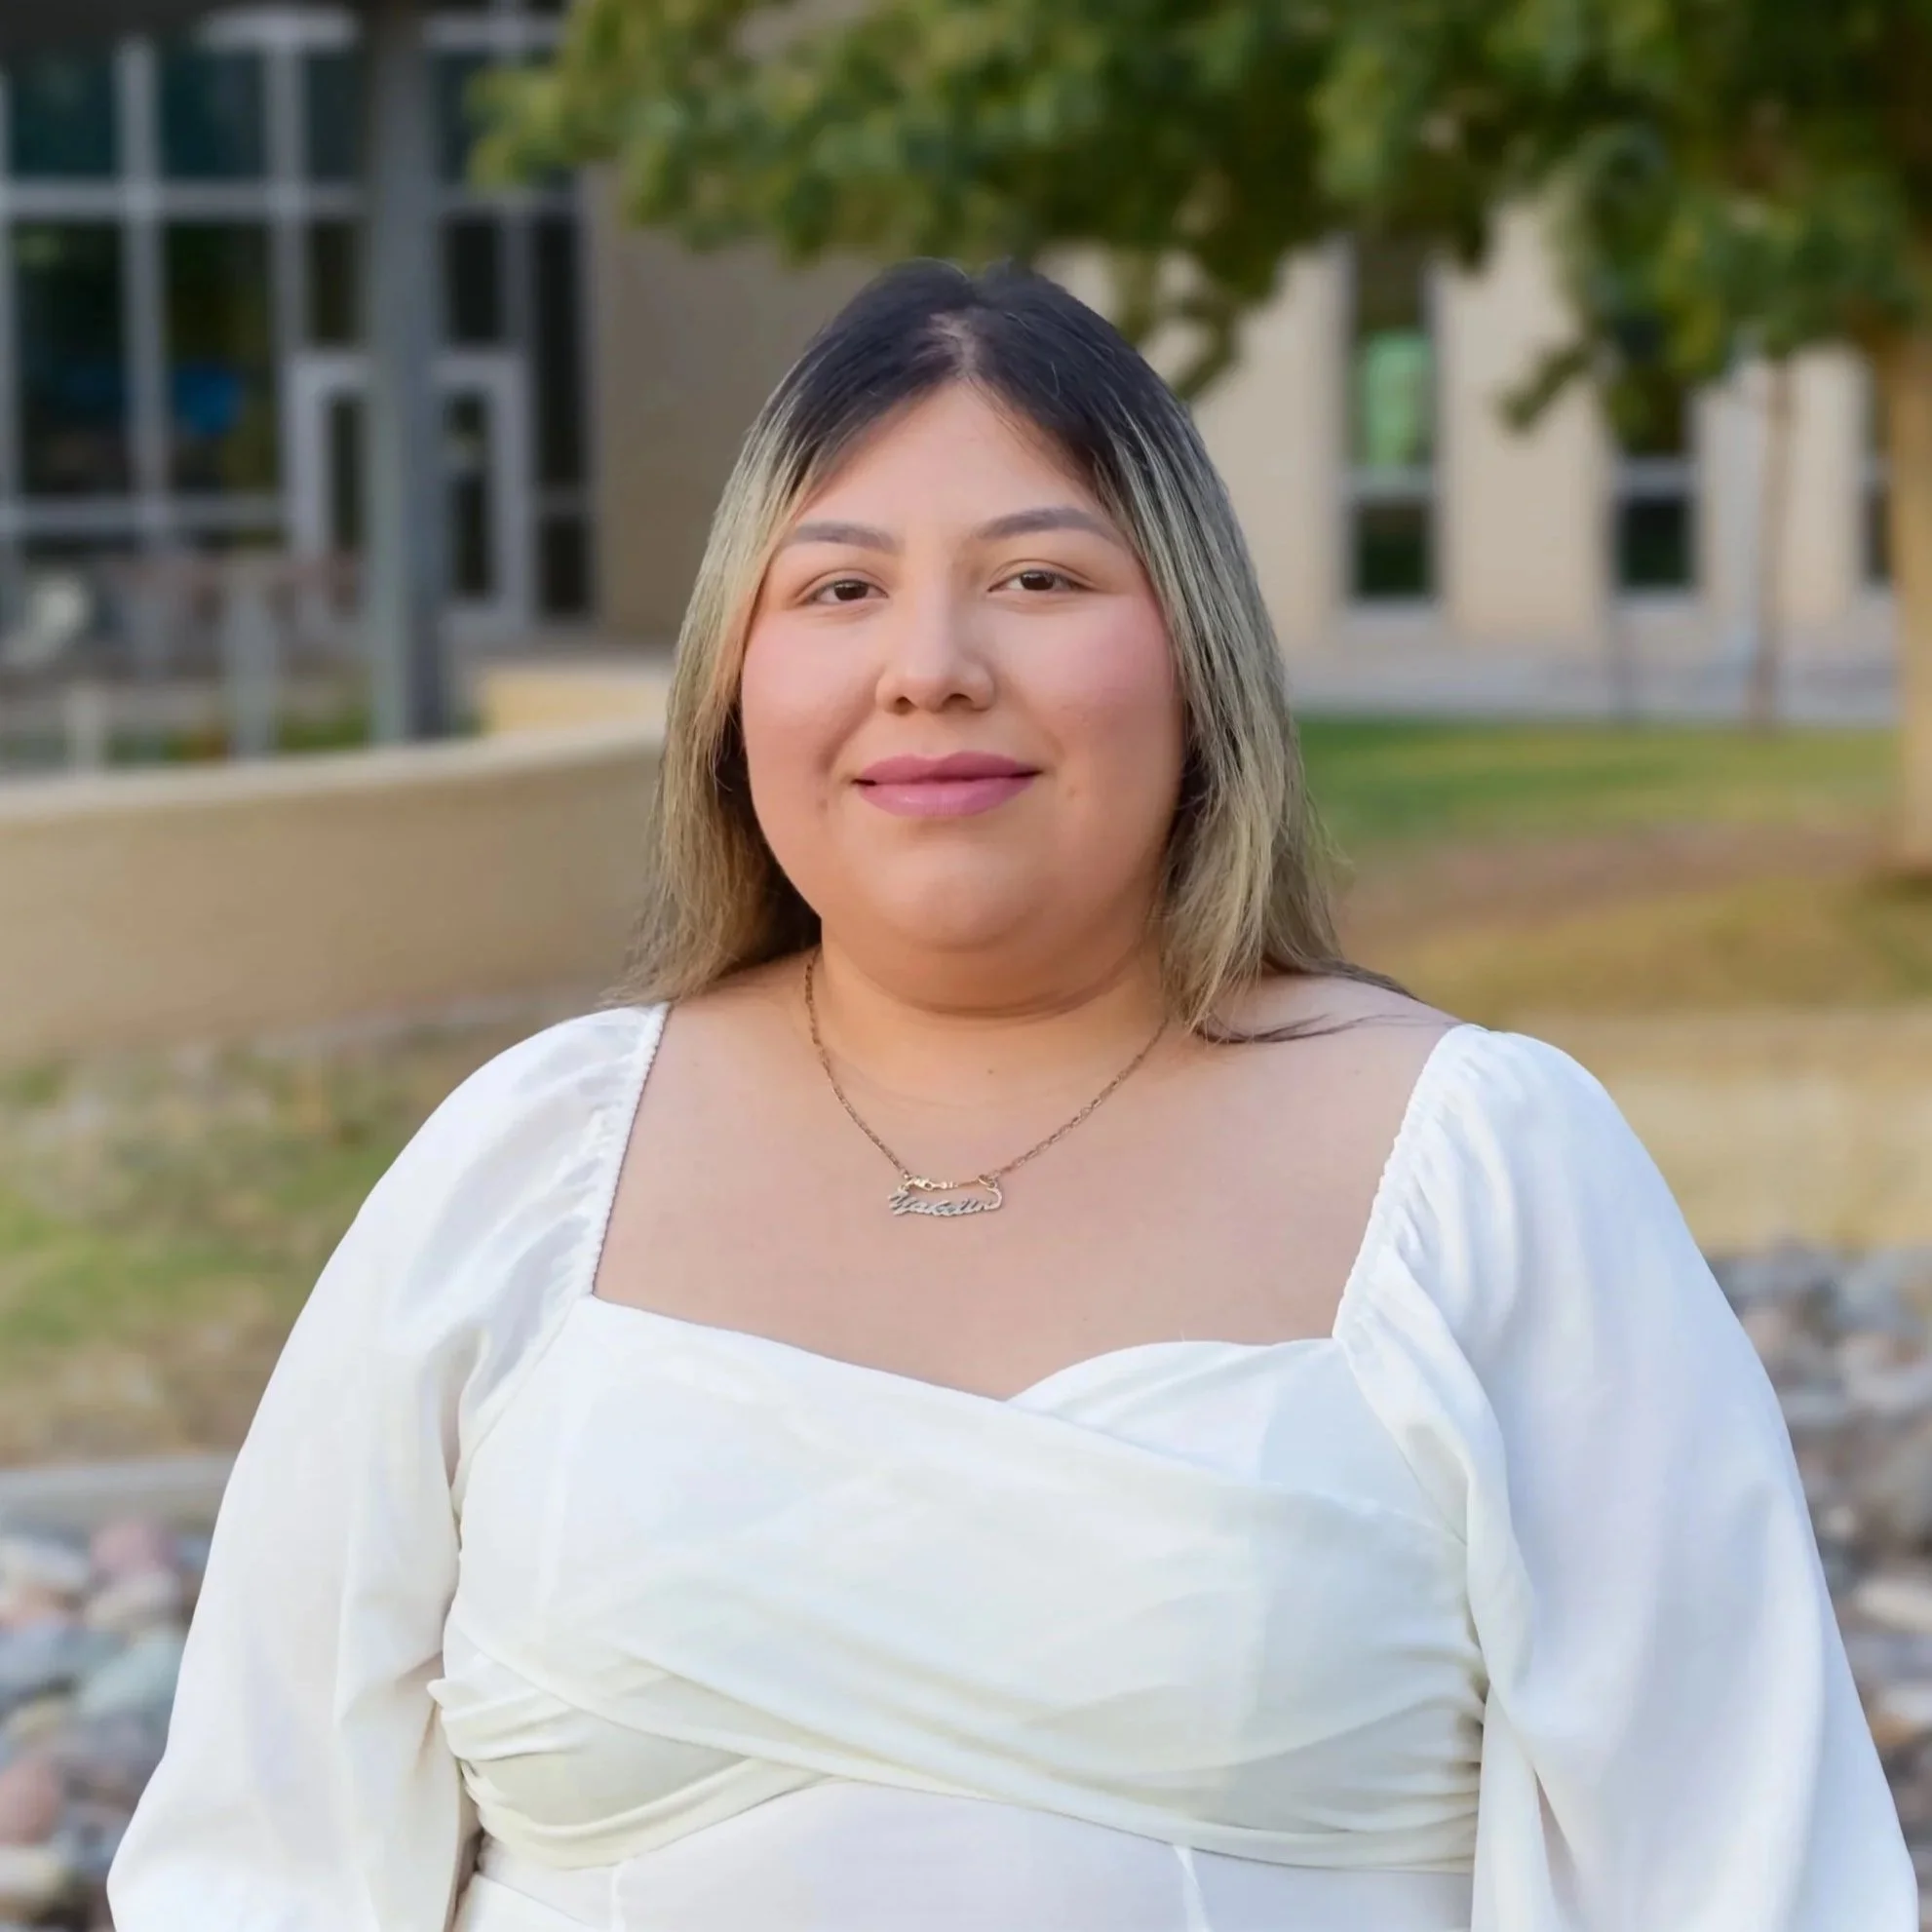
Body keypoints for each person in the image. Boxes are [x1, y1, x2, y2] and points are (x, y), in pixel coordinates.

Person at [108, 260, 1913, 1932]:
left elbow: (1747, 1874)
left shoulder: (1485, 1167)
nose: (931, 664)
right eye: (838, 588)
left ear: (1196, 654)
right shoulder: (523, 1166)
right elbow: (255, 1869)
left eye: (1040, 579)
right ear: (733, 683)